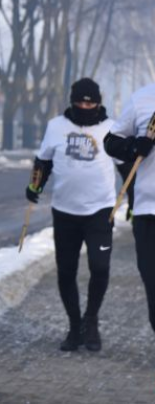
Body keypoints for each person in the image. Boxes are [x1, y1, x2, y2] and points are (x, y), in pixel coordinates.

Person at [24, 78, 119, 353]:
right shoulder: (56, 126)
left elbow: (126, 164)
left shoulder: (111, 128)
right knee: (66, 271)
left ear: (98, 103)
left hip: (100, 211)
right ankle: (74, 325)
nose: (85, 106)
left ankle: (91, 320)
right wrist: (34, 186)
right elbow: (44, 161)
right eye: (80, 101)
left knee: (100, 267)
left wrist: (135, 196)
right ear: (72, 101)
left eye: (90, 102)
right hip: (65, 211)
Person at [104, 80, 155, 334]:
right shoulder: (142, 99)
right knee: (152, 281)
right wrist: (135, 146)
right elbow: (111, 142)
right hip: (148, 212)